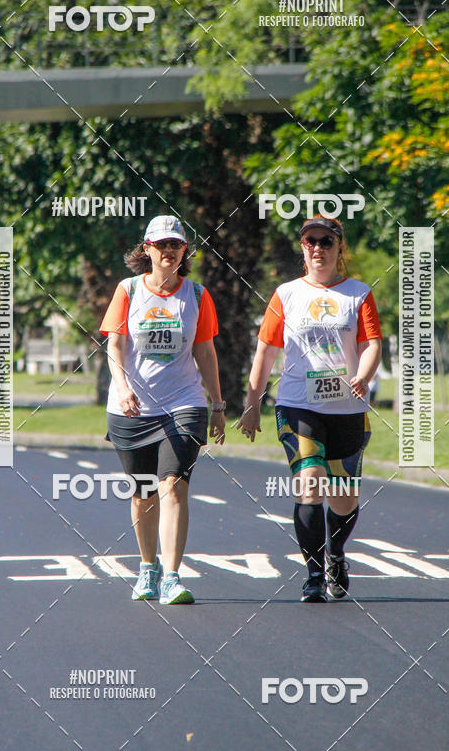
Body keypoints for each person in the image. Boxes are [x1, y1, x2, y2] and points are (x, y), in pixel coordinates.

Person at [238, 216, 382, 602]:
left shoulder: (358, 293)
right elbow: (266, 351)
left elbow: (372, 344)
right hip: (298, 404)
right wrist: (252, 404)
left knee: (344, 498)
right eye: (310, 241)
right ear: (302, 248)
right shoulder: (286, 294)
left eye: (326, 241)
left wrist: (363, 375)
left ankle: (336, 553)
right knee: (311, 482)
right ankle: (314, 574)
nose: (318, 248)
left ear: (339, 248)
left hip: (347, 408)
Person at [100, 215, 225, 605]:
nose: (168, 251)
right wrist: (122, 388)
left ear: (184, 250)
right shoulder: (128, 290)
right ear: (147, 249)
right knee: (143, 492)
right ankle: (148, 568)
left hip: (183, 402)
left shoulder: (198, 296)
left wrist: (217, 405)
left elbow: (205, 351)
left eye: (176, 244)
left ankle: (172, 576)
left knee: (173, 485)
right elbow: (115, 345)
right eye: (161, 244)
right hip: (132, 407)